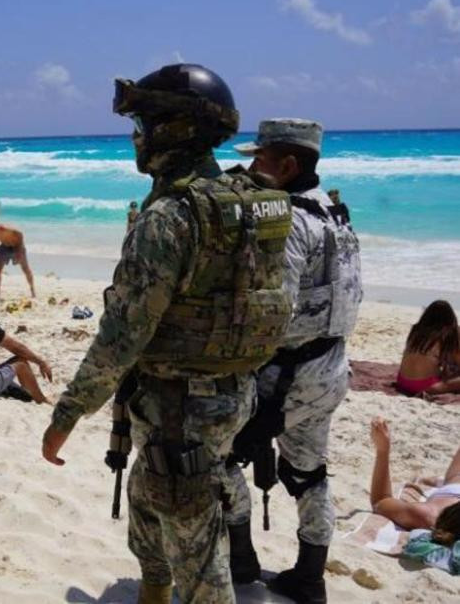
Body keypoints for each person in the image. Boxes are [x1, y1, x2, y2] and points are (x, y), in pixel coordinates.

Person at [41, 64, 293, 604]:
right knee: (148, 507)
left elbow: (121, 336)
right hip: (228, 396)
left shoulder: (172, 217)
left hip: (180, 410)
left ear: (174, 129)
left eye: (144, 121)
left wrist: (67, 414)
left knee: (199, 564)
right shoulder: (247, 203)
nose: (138, 134)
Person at [222, 119, 363, 601]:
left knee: (219, 454)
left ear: (287, 165)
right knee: (308, 472)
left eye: (260, 160)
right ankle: (309, 576)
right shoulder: (336, 213)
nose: (250, 167)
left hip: (289, 374)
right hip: (332, 368)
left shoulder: (289, 223)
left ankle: (240, 560)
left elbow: (273, 312)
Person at [369, 417, 460, 541]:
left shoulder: (427, 515)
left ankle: (437, 481)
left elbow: (381, 501)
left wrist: (383, 450)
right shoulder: (428, 516)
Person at [394, 300, 460, 396]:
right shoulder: (448, 333)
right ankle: (429, 391)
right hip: (425, 385)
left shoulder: (416, 329)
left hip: (402, 381)